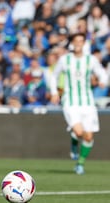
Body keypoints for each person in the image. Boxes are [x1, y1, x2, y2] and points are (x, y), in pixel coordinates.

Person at [49, 33, 108, 175]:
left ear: (84, 43)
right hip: (70, 100)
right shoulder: (65, 60)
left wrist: (103, 81)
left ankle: (80, 163)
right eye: (76, 41)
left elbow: (102, 73)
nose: (78, 43)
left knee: (88, 136)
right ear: (72, 43)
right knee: (79, 131)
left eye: (81, 41)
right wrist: (54, 92)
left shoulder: (91, 59)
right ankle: (74, 141)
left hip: (87, 102)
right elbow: (53, 75)